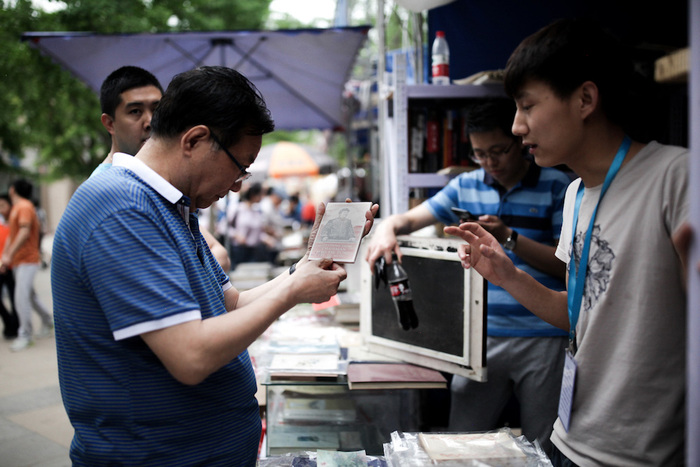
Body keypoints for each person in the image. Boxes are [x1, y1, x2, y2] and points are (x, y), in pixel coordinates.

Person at [50, 65, 378, 465]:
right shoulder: (122, 208)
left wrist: (304, 267)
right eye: (240, 165)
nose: (239, 184)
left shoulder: (172, 205)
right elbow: (191, 357)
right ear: (195, 140)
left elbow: (230, 303)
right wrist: (293, 291)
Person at [445, 18, 687, 466]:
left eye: (527, 106)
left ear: (585, 100)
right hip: (570, 441)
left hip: (639, 456)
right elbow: (578, 314)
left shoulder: (677, 178)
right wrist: (507, 274)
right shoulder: (576, 193)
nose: (517, 127)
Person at [365, 98, 572, 452]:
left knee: (543, 444)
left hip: (542, 334)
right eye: (480, 154)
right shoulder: (466, 185)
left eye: (499, 151)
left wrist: (509, 237)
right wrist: (386, 230)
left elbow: (565, 265)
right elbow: (408, 220)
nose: (490, 162)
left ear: (520, 139)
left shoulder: (557, 185)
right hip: (479, 335)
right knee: (461, 440)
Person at [92, 65, 230, 270]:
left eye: (157, 110)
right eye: (135, 111)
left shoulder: (152, 182)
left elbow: (219, 253)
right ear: (109, 123)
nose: (150, 121)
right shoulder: (109, 190)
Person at [1, 179, 53, 352]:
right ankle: (48, 321)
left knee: (20, 298)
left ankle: (25, 335)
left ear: (12, 189)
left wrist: (9, 254)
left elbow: (24, 231)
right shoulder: (18, 207)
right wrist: (6, 255)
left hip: (27, 260)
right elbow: (12, 235)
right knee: (30, 296)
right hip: (19, 260)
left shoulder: (24, 207)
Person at [0, 194, 18, 339]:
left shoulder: (14, 223)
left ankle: (15, 327)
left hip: (12, 266)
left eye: (3, 206)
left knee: (15, 299)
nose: (1, 209)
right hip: (2, 266)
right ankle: (9, 323)